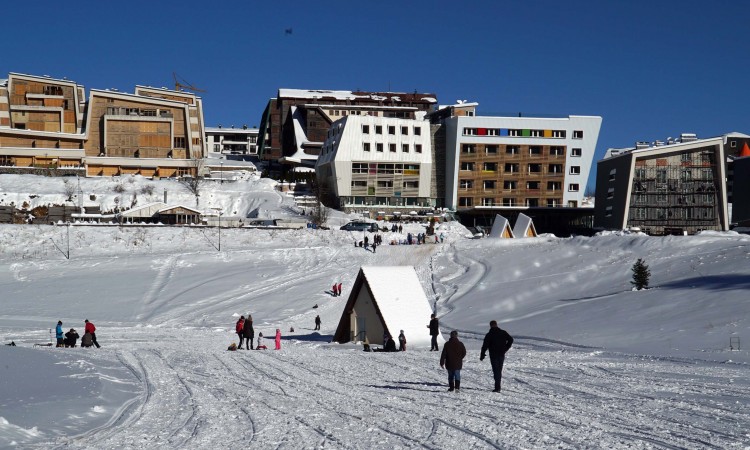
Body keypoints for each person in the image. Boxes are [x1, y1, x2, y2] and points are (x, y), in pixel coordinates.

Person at [480, 320, 514, 392]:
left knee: (496, 370)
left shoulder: (489, 334)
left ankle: (497, 387)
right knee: (499, 370)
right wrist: (506, 348)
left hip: (493, 355)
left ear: (490, 325)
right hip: (501, 354)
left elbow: (485, 345)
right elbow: (511, 339)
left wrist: (482, 354)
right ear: (496, 324)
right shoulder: (503, 332)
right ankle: (498, 386)